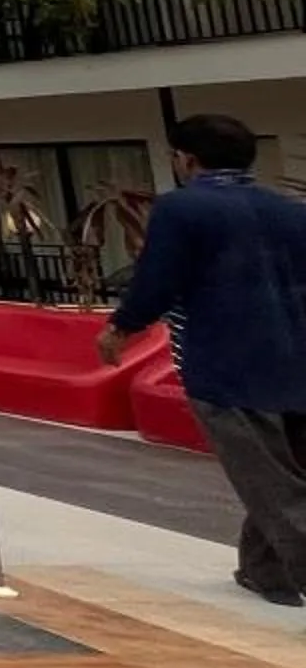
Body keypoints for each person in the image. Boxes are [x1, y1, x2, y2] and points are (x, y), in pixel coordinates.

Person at [98, 114, 306, 607]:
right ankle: (262, 571)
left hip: (228, 363)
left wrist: (122, 325)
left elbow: (158, 277)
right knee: (282, 469)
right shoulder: (290, 210)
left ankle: (293, 570)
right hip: (296, 362)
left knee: (272, 481)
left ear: (186, 160)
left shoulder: (182, 208)